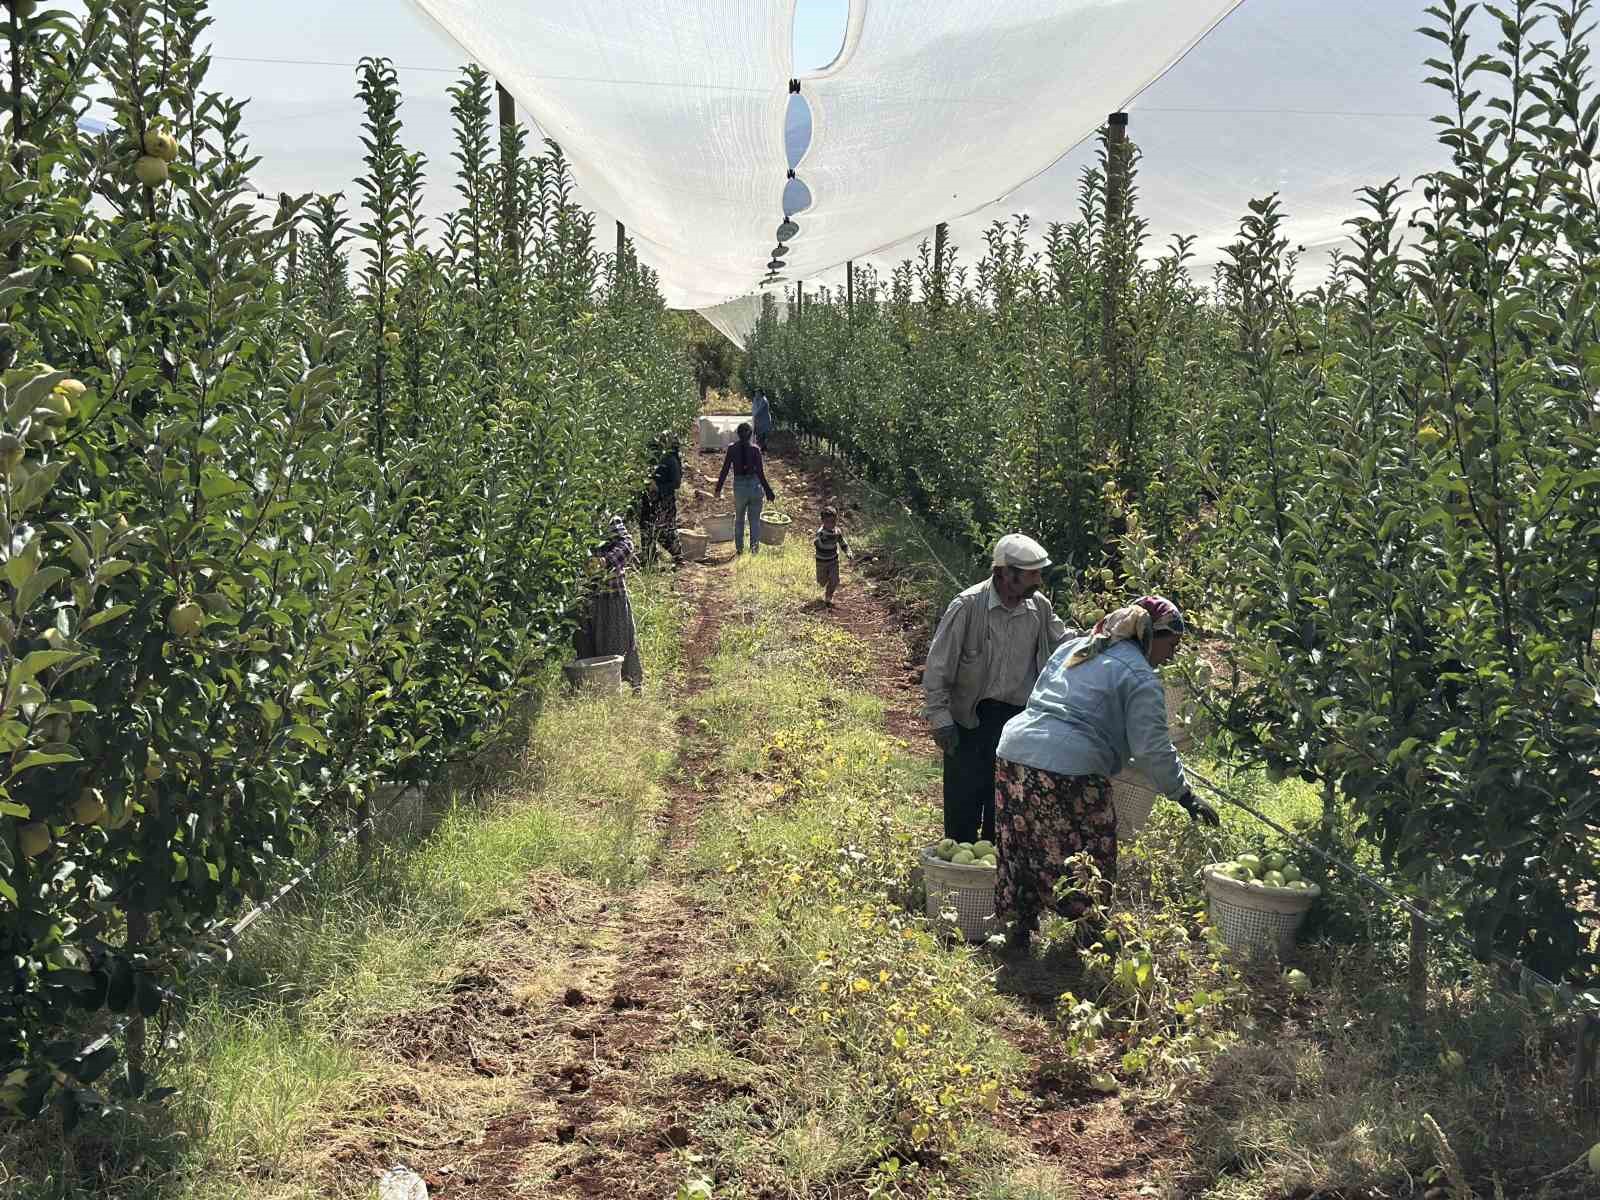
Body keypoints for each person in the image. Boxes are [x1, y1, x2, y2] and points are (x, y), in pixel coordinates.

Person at [992, 595, 1220, 957]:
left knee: (1021, 843)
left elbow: (1044, 698)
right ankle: (1088, 934)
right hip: (1067, 768)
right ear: (1151, 636)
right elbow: (1152, 749)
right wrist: (1185, 796)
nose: (1173, 655)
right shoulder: (1140, 675)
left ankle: (1017, 931)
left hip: (1014, 754)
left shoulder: (1081, 646)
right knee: (1091, 849)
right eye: (1172, 645)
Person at [922, 534, 1072, 845]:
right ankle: (960, 882)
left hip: (1017, 724)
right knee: (962, 810)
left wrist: (1104, 637)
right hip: (970, 721)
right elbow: (938, 668)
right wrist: (941, 720)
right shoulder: (967, 607)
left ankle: (995, 883)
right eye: (1032, 574)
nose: (1039, 581)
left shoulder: (1038, 608)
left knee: (1004, 811)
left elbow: (1065, 643)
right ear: (1005, 573)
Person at [574, 514, 643, 694]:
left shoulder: (606, 517)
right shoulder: (571, 516)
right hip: (585, 597)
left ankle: (628, 685)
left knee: (619, 641)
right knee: (586, 644)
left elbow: (627, 545)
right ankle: (596, 690)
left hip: (611, 593)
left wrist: (605, 561)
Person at [714, 421, 776, 555]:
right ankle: (754, 550)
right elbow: (760, 473)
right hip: (754, 486)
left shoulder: (732, 449)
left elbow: (724, 470)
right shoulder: (755, 450)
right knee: (754, 520)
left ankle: (739, 549)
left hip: (740, 487)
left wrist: (718, 489)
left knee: (740, 519)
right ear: (751, 435)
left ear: (737, 434)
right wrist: (768, 491)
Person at [639, 431, 683, 566]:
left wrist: (658, 487)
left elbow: (676, 483)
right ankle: (649, 561)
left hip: (664, 502)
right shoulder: (655, 458)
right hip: (650, 500)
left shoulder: (671, 460)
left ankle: (678, 555)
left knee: (663, 530)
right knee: (646, 528)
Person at [813, 505, 851, 607]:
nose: (831, 524)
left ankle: (828, 596)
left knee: (834, 580)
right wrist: (819, 542)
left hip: (833, 560)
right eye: (828, 522)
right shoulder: (821, 533)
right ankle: (825, 584)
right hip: (821, 561)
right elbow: (816, 542)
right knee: (821, 581)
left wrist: (848, 551)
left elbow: (842, 543)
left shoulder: (837, 532)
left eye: (833, 522)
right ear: (823, 521)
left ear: (836, 520)